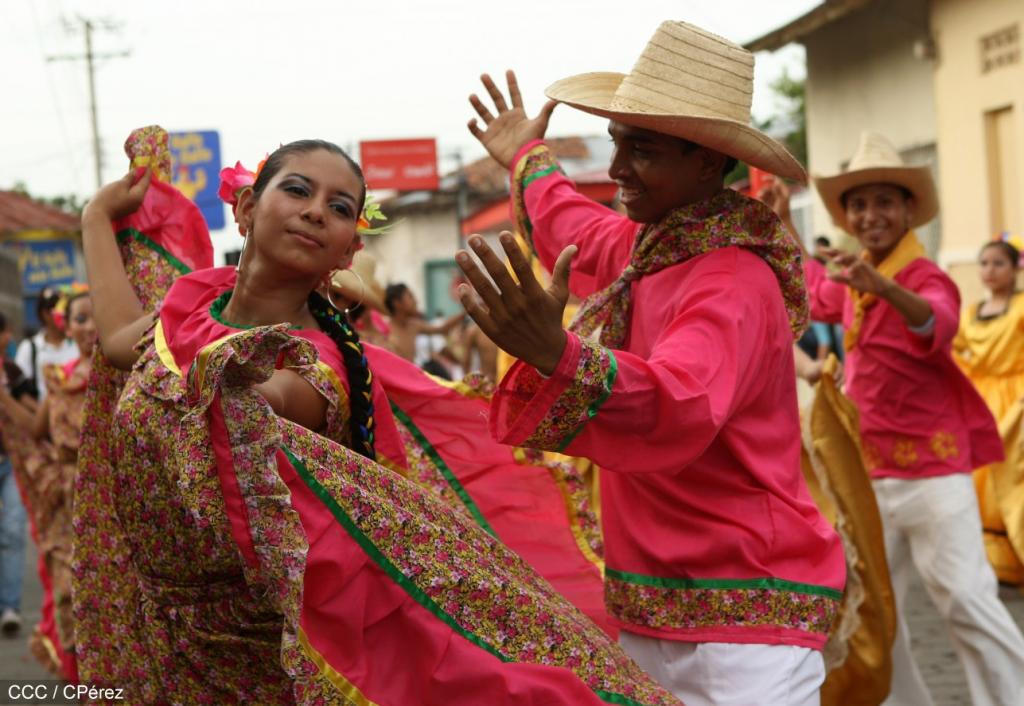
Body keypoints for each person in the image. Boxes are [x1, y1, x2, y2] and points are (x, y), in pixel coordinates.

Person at [76, 138, 678, 705]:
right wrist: (97, 217)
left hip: (256, 655)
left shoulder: (323, 361)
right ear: (246, 207)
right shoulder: (193, 299)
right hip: (157, 629)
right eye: (297, 191)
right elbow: (118, 337)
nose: (315, 212)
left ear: (348, 249)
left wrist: (238, 384)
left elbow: (261, 405)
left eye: (338, 208)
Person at [459, 20, 846, 705]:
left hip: (746, 618)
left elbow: (680, 403)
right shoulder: (656, 246)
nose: (615, 170)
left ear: (706, 163)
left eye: (642, 149)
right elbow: (571, 227)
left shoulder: (731, 278)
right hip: (658, 607)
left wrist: (558, 354)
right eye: (617, 143)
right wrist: (526, 157)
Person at [763, 131, 1024, 706]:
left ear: (909, 210)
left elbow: (938, 324)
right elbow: (806, 292)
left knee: (967, 600)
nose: (870, 214)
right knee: (877, 613)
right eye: (858, 204)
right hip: (872, 475)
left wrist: (880, 285)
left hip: (934, 472)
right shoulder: (855, 274)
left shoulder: (924, 276)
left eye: (884, 202)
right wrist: (784, 225)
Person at [0, 289, 92, 680]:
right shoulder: (61, 378)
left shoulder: (125, 372)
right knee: (69, 592)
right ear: (67, 327)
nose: (89, 327)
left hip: (104, 498)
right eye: (79, 319)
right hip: (64, 502)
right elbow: (37, 430)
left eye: (94, 317)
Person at [954, 239, 1024, 586]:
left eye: (998, 263)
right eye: (984, 263)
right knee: (981, 479)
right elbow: (955, 353)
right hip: (981, 402)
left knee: (1013, 477)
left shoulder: (1021, 308)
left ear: (1015, 269)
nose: (990, 271)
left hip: (1017, 401)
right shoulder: (971, 313)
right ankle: (994, 561)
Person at [0, 311, 31, 637]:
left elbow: (35, 416)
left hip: (12, 463)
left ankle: (9, 607)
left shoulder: (12, 372)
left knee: (11, 532)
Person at [14, 288, 78, 400]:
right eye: (54, 309)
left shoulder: (78, 343)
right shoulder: (29, 347)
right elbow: (19, 389)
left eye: (64, 309)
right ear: (44, 314)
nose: (62, 314)